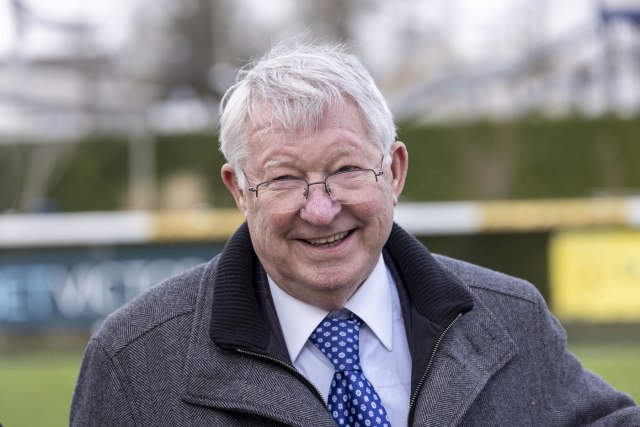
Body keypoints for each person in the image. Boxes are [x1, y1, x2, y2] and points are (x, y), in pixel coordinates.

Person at [70, 40, 640, 427]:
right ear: (239, 190)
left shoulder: (511, 320)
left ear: (394, 171)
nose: (321, 210)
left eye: (346, 170)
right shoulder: (135, 363)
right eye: (285, 179)